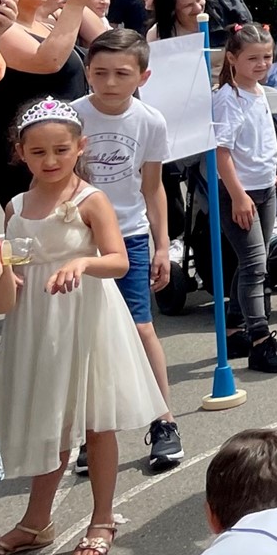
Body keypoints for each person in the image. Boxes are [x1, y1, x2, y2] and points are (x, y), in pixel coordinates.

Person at [0, 97, 168, 555]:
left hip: (87, 318)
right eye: (38, 152)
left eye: (61, 150)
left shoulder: (90, 200)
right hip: (37, 324)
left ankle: (102, 519)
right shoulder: (15, 207)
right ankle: (36, 521)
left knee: (95, 422)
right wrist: (4, 273)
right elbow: (13, 271)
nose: (50, 160)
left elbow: (119, 260)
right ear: (20, 153)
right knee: (50, 418)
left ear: (80, 147)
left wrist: (83, 262)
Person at [73, 30, 182, 471]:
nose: (110, 82)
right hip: (79, 238)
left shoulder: (150, 121)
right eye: (100, 72)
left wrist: (162, 245)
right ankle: (93, 431)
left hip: (130, 237)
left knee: (140, 328)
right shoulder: (73, 116)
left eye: (122, 73)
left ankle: (164, 420)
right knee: (87, 336)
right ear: (87, 72)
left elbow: (152, 188)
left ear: (143, 76)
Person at [211, 24, 277, 374]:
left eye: (267, 57)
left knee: (252, 261)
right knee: (255, 265)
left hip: (265, 188)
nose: (262, 64)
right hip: (240, 192)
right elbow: (221, 153)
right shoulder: (228, 98)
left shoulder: (259, 91)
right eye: (253, 58)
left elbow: (267, 138)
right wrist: (238, 196)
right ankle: (261, 341)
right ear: (232, 59)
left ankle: (235, 330)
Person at [0, 0, 105, 206]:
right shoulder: (1, 28)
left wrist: (72, 1)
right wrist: (75, 4)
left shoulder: (48, 21)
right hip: (27, 153)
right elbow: (48, 61)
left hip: (65, 144)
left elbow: (105, 41)